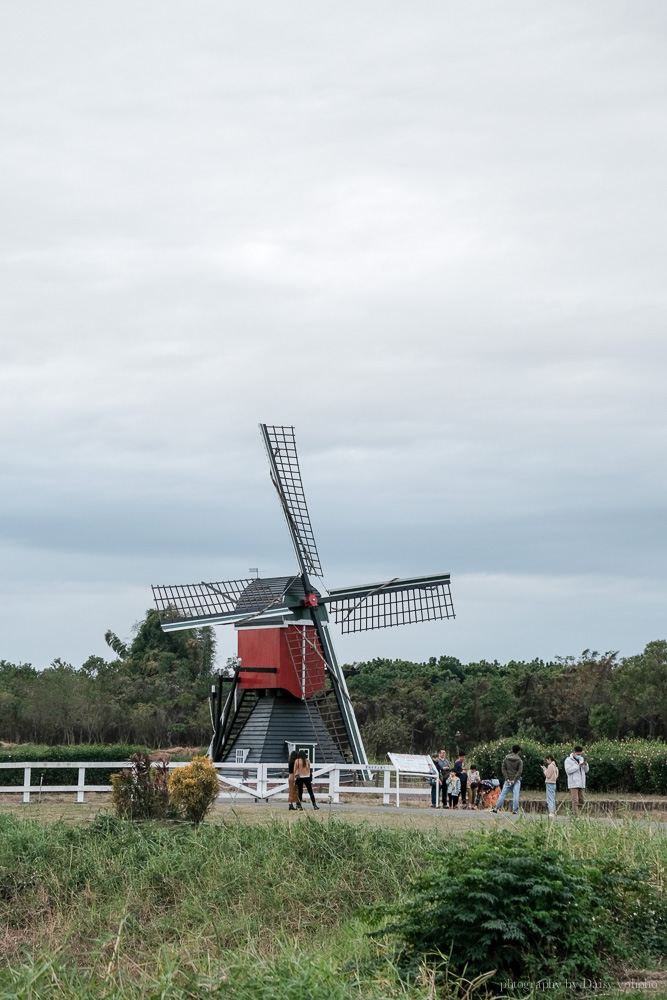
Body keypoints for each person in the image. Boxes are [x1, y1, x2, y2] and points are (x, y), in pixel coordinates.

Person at [492, 745, 523, 814]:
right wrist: (514, 779)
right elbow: (519, 771)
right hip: (516, 780)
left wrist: (507, 778)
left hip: (507, 780)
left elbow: (503, 768)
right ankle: (514, 810)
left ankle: (496, 808)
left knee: (503, 794)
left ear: (512, 750)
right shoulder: (519, 760)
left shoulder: (506, 758)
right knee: (516, 794)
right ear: (518, 751)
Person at [564, 745, 589, 817]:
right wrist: (578, 766)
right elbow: (568, 771)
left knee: (582, 800)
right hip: (573, 783)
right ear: (574, 753)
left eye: (580, 754)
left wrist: (585, 765)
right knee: (575, 800)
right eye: (578, 754)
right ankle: (576, 816)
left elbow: (586, 770)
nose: (579, 756)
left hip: (581, 783)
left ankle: (571, 812)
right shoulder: (568, 760)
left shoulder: (581, 759)